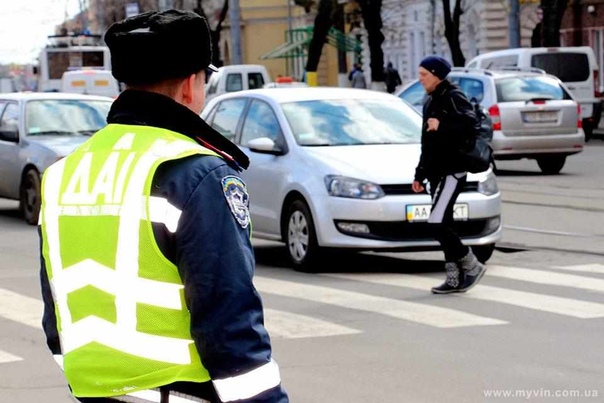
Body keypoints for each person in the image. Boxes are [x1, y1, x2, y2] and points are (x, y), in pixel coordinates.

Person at [38, 10, 289, 403]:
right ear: (190, 86)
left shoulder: (63, 173)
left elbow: (55, 314)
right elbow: (229, 320)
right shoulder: (196, 172)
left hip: (94, 393)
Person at [411, 55, 486, 294]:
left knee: (436, 223)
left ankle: (471, 265)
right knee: (444, 224)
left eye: (424, 75)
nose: (420, 79)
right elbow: (427, 142)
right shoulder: (430, 100)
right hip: (435, 171)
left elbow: (471, 125)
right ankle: (453, 279)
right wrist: (419, 175)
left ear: (437, 75)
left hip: (451, 171)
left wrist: (442, 125)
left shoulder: (453, 96)